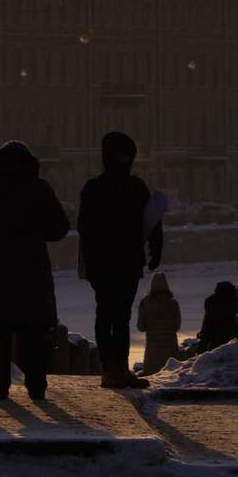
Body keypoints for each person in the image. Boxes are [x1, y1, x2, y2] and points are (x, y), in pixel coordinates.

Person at [0, 140, 69, 402]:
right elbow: (60, 228)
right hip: (32, 272)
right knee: (33, 334)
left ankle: (0, 388)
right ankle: (36, 387)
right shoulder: (39, 188)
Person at [77, 131, 164, 389]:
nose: (122, 159)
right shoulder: (126, 187)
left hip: (118, 263)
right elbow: (150, 222)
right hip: (114, 262)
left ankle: (117, 369)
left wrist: (155, 250)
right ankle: (111, 369)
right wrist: (154, 250)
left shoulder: (104, 187)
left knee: (117, 316)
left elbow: (151, 223)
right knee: (110, 316)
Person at [137, 272, 182, 374]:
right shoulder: (173, 304)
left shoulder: (145, 302)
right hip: (170, 349)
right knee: (170, 375)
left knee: (152, 376)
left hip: (152, 350)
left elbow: (141, 327)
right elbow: (177, 326)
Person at [197, 280, 238, 352]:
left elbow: (207, 326)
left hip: (215, 341)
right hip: (232, 340)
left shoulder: (212, 302)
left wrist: (202, 347)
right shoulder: (234, 301)